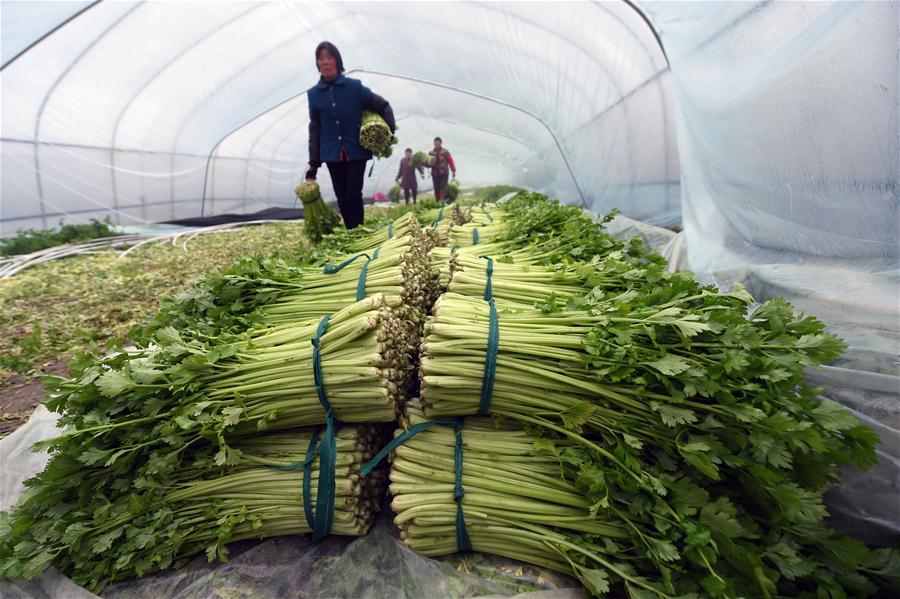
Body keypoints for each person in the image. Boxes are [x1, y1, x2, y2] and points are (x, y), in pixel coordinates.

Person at [304, 41, 396, 229]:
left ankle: (358, 229)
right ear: (317, 64)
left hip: (356, 150)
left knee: (353, 194)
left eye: (329, 57)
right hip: (332, 153)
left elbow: (382, 105)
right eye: (321, 59)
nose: (325, 62)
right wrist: (313, 163)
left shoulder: (354, 87)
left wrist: (387, 133)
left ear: (337, 61)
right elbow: (315, 128)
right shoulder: (314, 94)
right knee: (342, 197)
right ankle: (351, 231)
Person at [428, 137, 456, 202]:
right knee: (436, 189)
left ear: (440, 143)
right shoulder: (431, 153)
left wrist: (453, 170)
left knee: (443, 188)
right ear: (434, 143)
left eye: (438, 142)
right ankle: (437, 201)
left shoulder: (445, 151)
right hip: (435, 174)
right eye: (435, 142)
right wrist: (423, 163)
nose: (436, 143)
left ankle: (442, 201)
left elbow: (450, 161)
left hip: (444, 173)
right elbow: (428, 164)